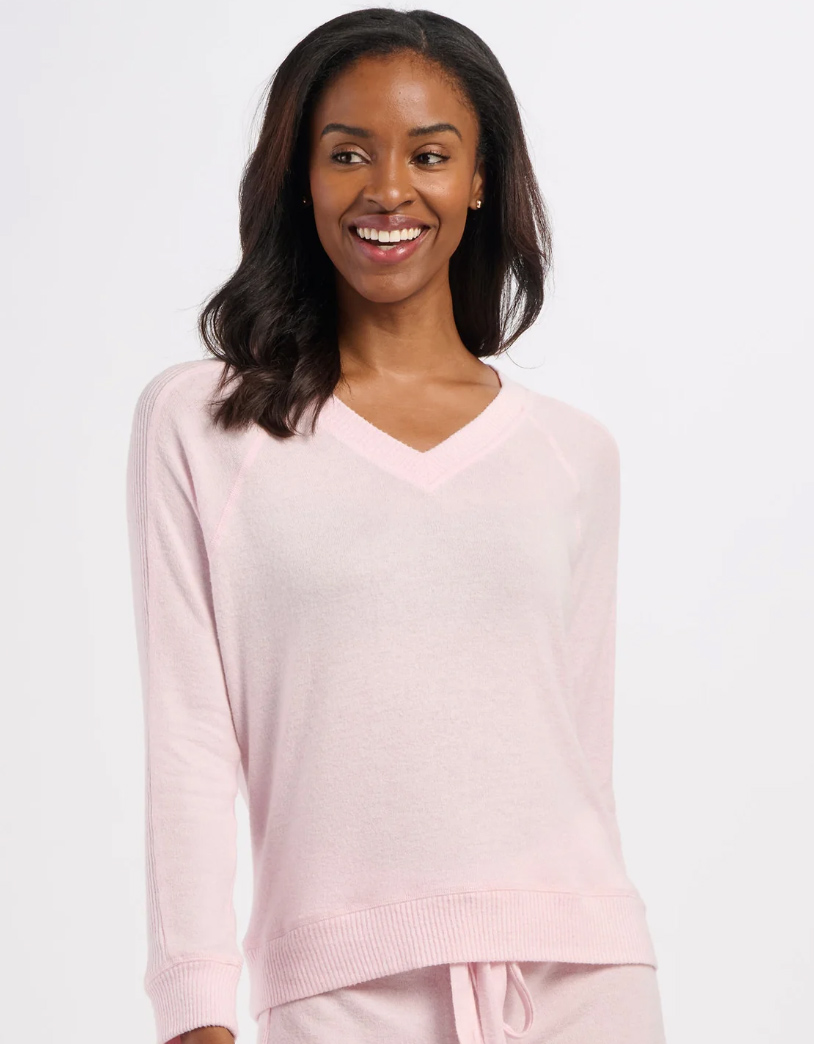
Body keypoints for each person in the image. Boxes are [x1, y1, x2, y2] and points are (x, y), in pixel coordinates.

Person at [125, 8, 667, 1044]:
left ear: (479, 179)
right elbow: (189, 736)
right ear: (300, 179)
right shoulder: (206, 423)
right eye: (346, 154)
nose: (387, 189)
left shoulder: (572, 453)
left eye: (429, 154)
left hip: (586, 977)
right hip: (341, 989)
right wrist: (194, 1009)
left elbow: (580, 754)